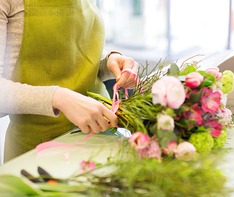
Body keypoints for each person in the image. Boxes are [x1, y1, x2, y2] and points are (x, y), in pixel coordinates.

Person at [0, 0, 138, 162]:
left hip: (102, 135)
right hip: (39, 152)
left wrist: (110, 60)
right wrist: (58, 98)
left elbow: (76, 51)